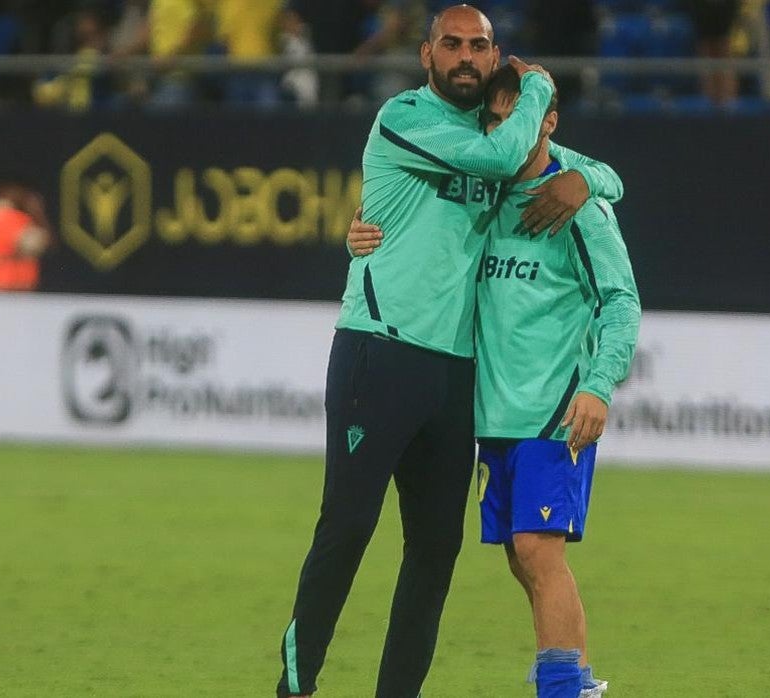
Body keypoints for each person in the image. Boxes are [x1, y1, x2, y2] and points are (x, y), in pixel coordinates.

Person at [276, 6, 624, 698]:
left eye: (480, 46)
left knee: (435, 553)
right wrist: (537, 91)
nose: (466, 56)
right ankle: (296, 686)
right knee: (347, 528)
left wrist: (589, 179)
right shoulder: (407, 118)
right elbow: (503, 158)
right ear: (426, 55)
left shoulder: (497, 129)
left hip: (454, 371)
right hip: (380, 352)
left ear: (492, 56)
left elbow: (599, 175)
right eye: (453, 45)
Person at [349, 63, 640, 698]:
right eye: (495, 121)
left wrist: (599, 384)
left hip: (552, 408)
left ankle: (563, 692)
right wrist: (361, 234)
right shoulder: (481, 197)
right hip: (492, 415)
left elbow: (620, 301)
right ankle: (578, 683)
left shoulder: (576, 205)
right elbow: (419, 240)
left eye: (523, 119)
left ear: (550, 122)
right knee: (522, 556)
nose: (508, 131)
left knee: (538, 550)